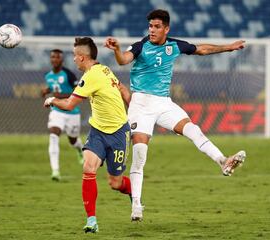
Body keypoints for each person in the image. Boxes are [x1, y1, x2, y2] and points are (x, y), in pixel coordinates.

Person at [105, 9, 247, 221]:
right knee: (140, 153)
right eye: (150, 26)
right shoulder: (140, 45)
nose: (152, 30)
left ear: (166, 29)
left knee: (193, 129)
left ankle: (222, 160)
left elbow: (201, 50)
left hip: (163, 103)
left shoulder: (175, 45)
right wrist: (116, 50)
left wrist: (228, 48)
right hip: (141, 104)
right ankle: (136, 205)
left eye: (156, 27)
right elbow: (123, 60)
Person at [44, 37, 132, 233]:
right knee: (88, 168)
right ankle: (91, 220)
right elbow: (122, 89)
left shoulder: (92, 76)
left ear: (83, 57)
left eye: (75, 56)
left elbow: (68, 104)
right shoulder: (104, 68)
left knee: (115, 183)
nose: (74, 60)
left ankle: (135, 192)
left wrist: (51, 100)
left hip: (118, 132)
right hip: (98, 131)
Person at [41, 49, 84, 181]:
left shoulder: (69, 74)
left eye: (57, 57)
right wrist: (46, 91)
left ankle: (79, 149)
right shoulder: (48, 76)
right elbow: (53, 87)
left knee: (73, 140)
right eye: (52, 57)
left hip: (72, 112)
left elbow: (78, 91)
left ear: (62, 60)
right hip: (57, 111)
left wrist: (58, 96)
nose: (54, 59)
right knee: (54, 135)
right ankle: (55, 171)